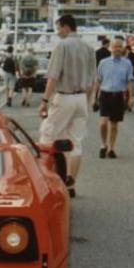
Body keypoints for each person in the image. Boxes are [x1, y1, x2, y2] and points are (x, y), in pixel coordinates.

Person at [38, 14, 97, 198]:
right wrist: (87, 100)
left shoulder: (62, 46)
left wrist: (45, 101)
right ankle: (71, 182)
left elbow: (53, 76)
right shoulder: (88, 48)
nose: (58, 32)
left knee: (48, 135)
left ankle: (48, 180)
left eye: (58, 28)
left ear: (66, 27)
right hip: (81, 98)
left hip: (64, 97)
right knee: (75, 142)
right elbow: (93, 79)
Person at [94, 38, 134, 159]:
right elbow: (98, 80)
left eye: (120, 46)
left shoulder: (127, 63)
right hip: (105, 94)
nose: (117, 49)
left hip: (118, 95)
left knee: (114, 125)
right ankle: (103, 144)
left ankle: (111, 148)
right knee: (103, 123)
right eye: (115, 46)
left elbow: (130, 81)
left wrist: (131, 97)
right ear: (111, 47)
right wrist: (94, 97)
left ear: (123, 48)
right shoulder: (103, 62)